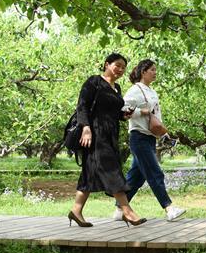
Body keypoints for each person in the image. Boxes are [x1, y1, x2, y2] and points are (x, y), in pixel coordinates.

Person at [67, 53, 146, 228]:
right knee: (112, 170)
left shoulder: (117, 88)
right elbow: (82, 106)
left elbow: (114, 113)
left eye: (123, 68)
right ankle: (127, 211)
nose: (120, 70)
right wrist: (86, 128)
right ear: (107, 64)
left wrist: (124, 115)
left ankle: (76, 210)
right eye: (117, 65)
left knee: (89, 173)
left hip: (110, 135)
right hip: (94, 134)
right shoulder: (94, 81)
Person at [115, 59, 185, 222]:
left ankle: (119, 209)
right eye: (152, 69)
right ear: (143, 72)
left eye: (155, 70)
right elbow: (123, 111)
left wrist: (163, 134)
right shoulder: (135, 90)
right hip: (138, 137)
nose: (155, 72)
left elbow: (155, 116)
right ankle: (169, 208)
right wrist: (142, 112)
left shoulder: (152, 91)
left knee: (136, 177)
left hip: (150, 138)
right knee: (155, 173)